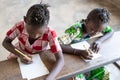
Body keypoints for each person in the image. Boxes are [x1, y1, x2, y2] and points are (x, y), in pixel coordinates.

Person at [2, 3, 64, 80]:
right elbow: (5, 42)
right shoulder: (19, 26)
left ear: (47, 25)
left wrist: (48, 78)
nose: (35, 36)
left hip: (40, 58)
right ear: (25, 20)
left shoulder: (50, 33)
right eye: (30, 32)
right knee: (11, 73)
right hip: (19, 52)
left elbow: (60, 59)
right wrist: (21, 54)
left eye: (40, 34)